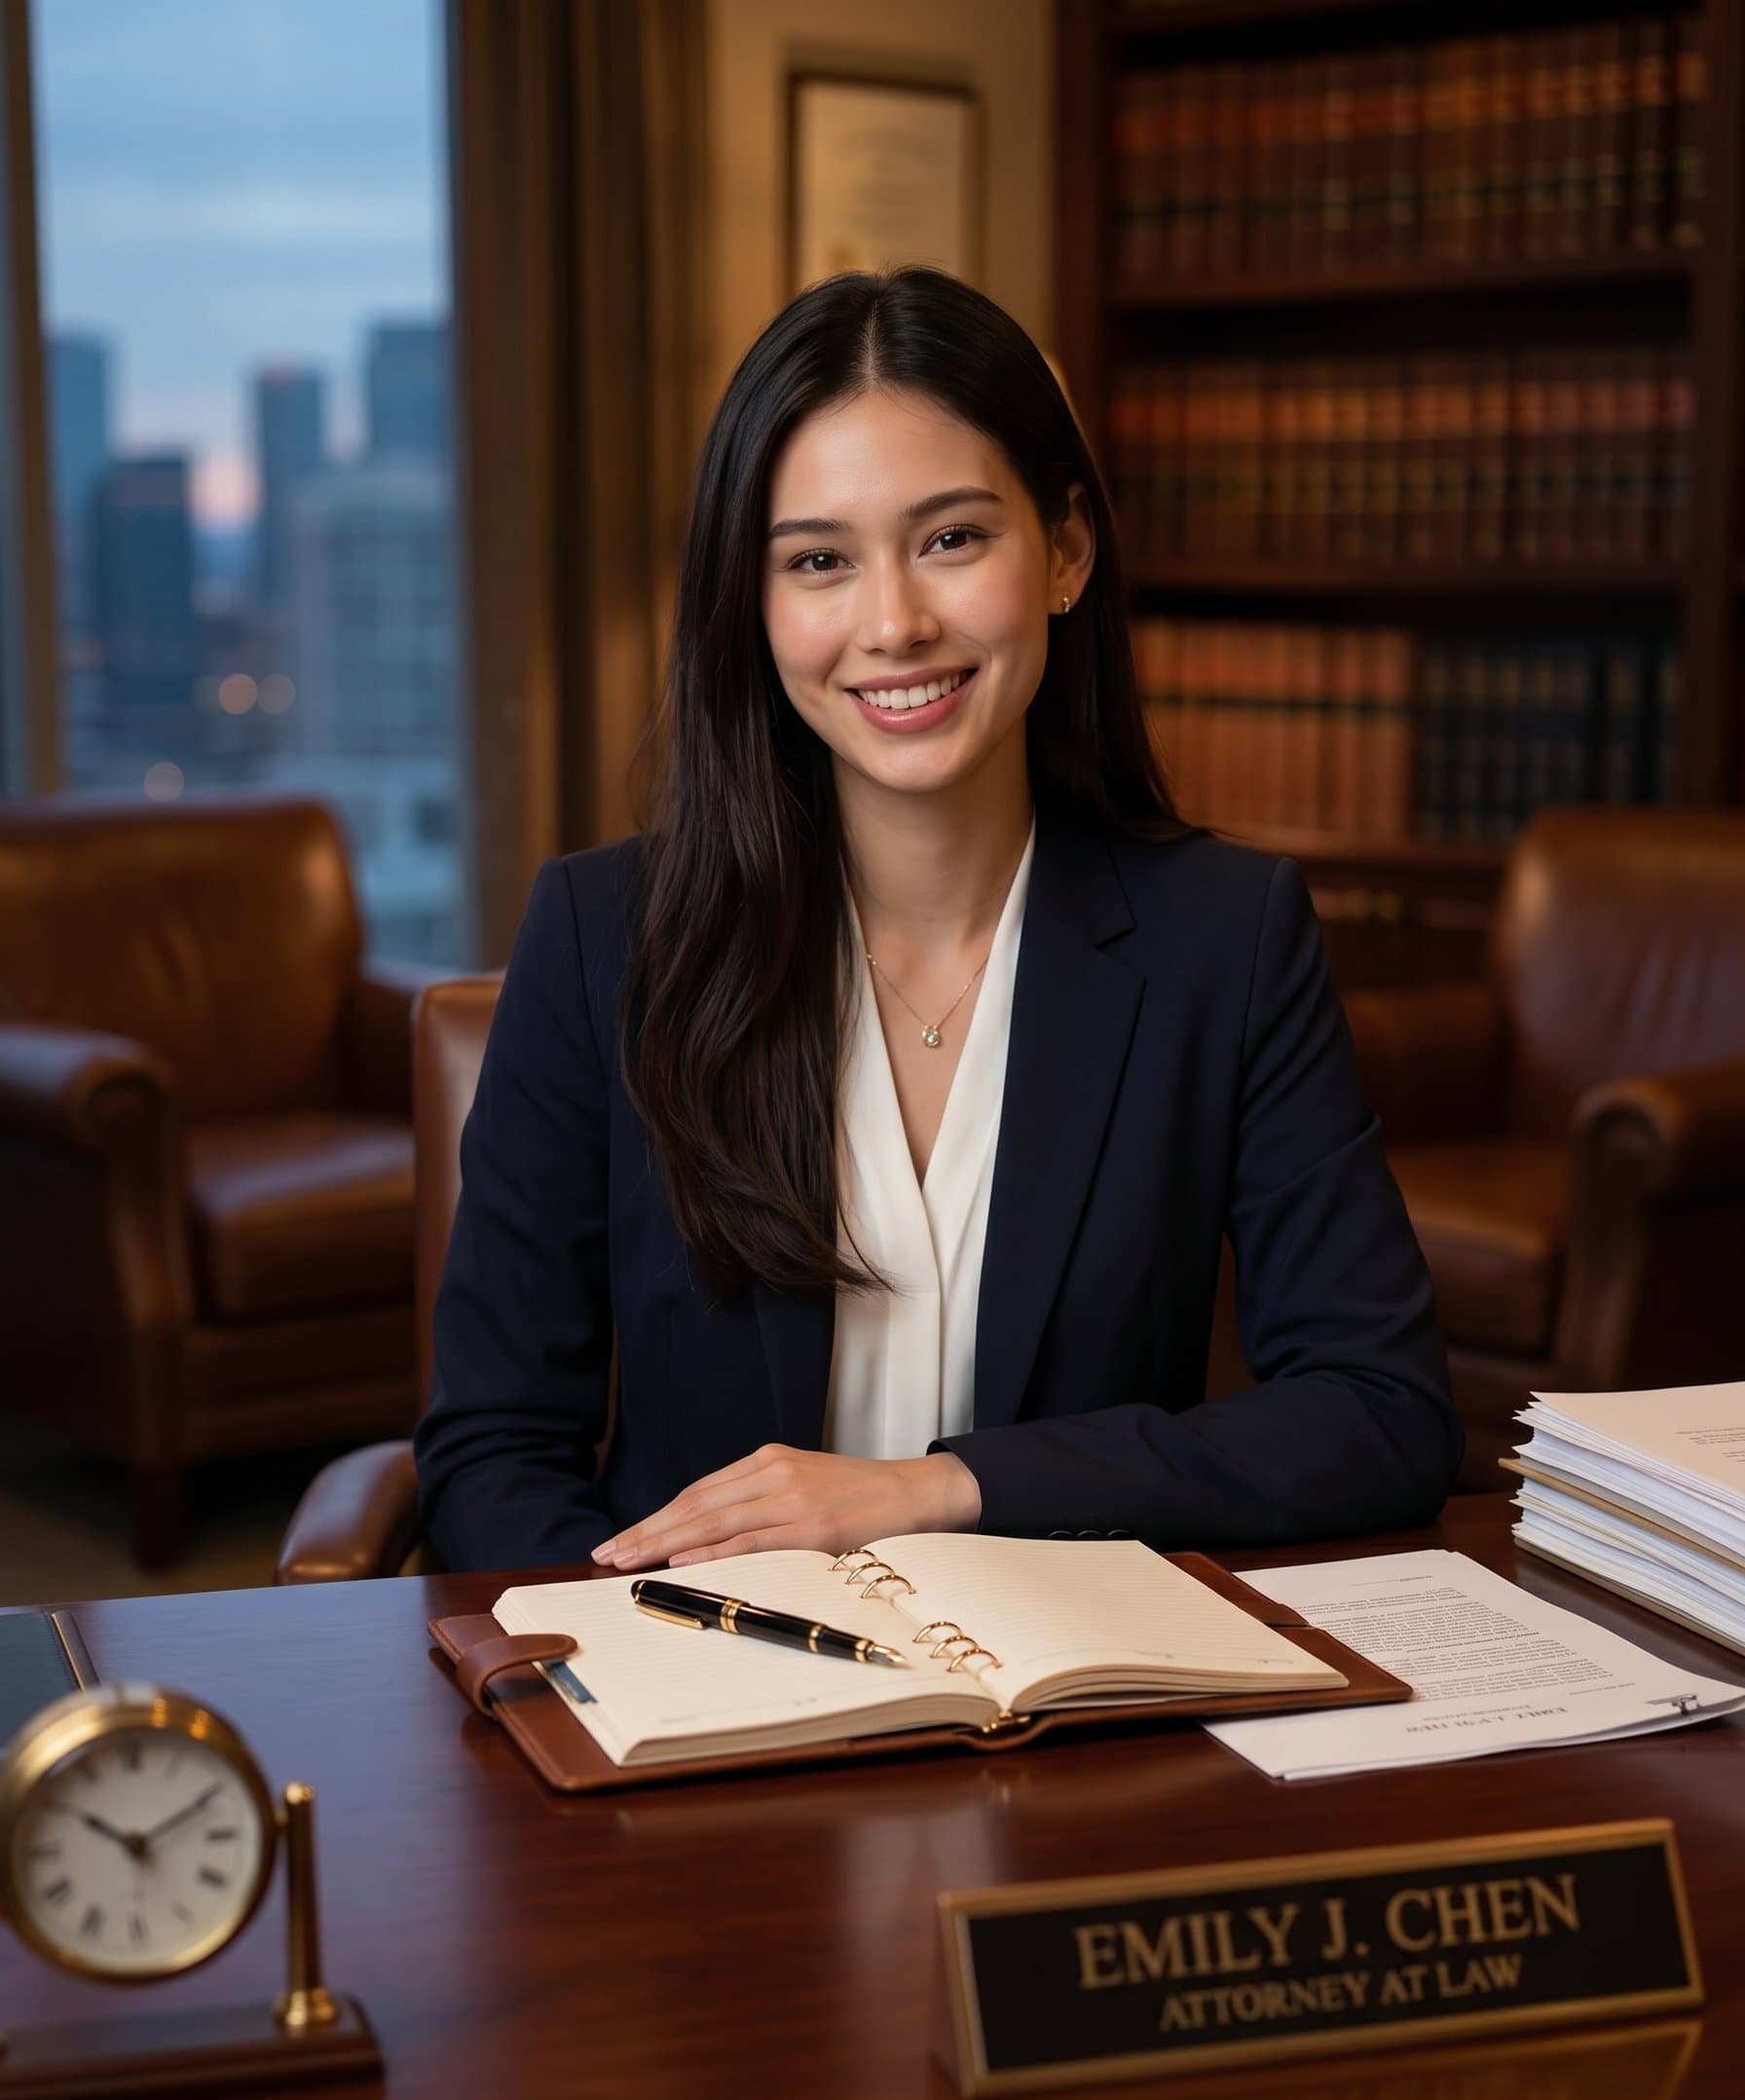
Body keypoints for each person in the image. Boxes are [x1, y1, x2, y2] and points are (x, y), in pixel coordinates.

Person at [414, 265, 1463, 1575]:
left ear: (1065, 553)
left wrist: (946, 1488)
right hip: (709, 1716)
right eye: (819, 562)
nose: (895, 623)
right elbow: (492, 1455)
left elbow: (1383, 1415)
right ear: (755, 601)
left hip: (1081, 1714)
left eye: (954, 538)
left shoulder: (1226, 940)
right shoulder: (602, 937)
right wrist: (653, 1668)